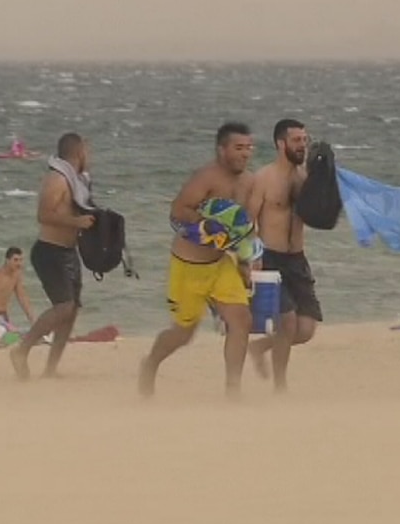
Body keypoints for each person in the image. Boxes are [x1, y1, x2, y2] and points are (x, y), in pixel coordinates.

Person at [138, 122, 257, 398]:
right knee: (183, 333)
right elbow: (178, 210)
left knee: (241, 321)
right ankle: (150, 364)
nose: (245, 154)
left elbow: (245, 227)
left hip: (221, 264)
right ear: (221, 150)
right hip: (188, 265)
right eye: (238, 148)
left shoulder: (249, 182)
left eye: (249, 148)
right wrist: (207, 223)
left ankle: (233, 391)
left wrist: (245, 263)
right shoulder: (206, 178)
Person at [9, 133, 94, 380]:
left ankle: (50, 368)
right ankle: (21, 350)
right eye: (86, 151)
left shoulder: (77, 181)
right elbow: (44, 215)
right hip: (49, 251)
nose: (89, 156)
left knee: (73, 309)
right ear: (78, 152)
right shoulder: (56, 179)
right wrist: (76, 221)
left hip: (69, 251)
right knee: (64, 306)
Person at [246, 119, 322, 392]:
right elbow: (248, 222)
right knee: (287, 323)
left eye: (305, 140)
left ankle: (260, 347)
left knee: (305, 330)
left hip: (297, 260)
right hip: (270, 258)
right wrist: (252, 257)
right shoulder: (264, 178)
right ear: (281, 144)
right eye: (297, 140)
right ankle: (281, 386)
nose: (302, 145)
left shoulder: (306, 178)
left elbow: (319, 215)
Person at [0, 246, 35, 324]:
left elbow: (22, 298)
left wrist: (32, 319)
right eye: (15, 260)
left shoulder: (16, 276)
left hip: (3, 315)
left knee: (13, 336)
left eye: (21, 260)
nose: (19, 263)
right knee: (9, 336)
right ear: (7, 260)